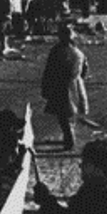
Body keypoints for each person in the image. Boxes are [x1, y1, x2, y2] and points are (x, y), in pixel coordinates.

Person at [41, 22, 89, 151]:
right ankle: (69, 137)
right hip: (75, 84)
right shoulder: (78, 52)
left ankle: (69, 139)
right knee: (70, 114)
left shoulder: (56, 51)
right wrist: (78, 81)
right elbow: (85, 69)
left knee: (62, 116)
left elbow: (49, 71)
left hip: (61, 86)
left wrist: (46, 87)